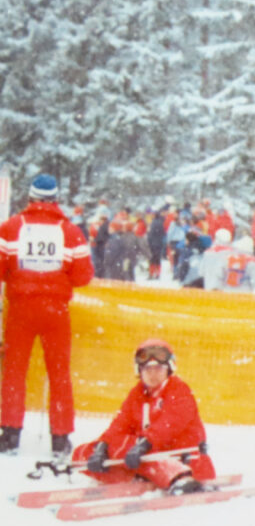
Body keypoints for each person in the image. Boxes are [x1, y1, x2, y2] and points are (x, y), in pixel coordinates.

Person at [0, 174, 94, 459]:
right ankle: (60, 437)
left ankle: (10, 433)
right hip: (55, 311)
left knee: (14, 371)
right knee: (59, 374)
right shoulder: (71, 231)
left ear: (30, 198)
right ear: (55, 200)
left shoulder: (12, 227)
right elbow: (82, 276)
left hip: (20, 309)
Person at [71, 339, 215, 493]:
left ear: (169, 369)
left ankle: (179, 476)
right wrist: (101, 448)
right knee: (83, 454)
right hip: (144, 455)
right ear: (139, 371)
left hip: (183, 458)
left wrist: (143, 445)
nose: (153, 374)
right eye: (147, 369)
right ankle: (136, 478)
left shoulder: (179, 391)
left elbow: (170, 425)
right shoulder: (137, 394)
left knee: (124, 447)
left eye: (158, 369)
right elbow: (120, 424)